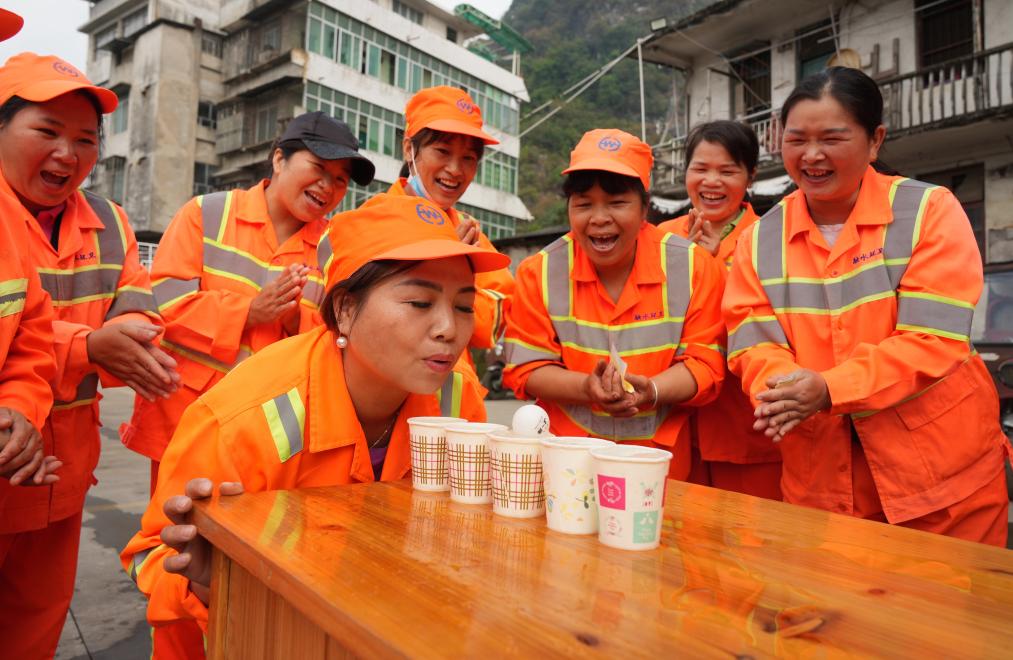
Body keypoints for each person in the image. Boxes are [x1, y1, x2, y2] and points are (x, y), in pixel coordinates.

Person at [121, 193, 505, 659]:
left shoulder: (458, 395)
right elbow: (149, 555)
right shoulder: (242, 416)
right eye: (420, 302)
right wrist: (208, 577)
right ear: (344, 309)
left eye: (464, 307)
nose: (448, 328)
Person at [724, 66, 1010, 546]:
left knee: (949, 596)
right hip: (821, 482)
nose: (811, 155)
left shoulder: (928, 211)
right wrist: (784, 387)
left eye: (832, 138)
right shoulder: (756, 241)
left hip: (943, 481)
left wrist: (828, 389)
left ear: (875, 141)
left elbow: (932, 339)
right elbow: (751, 344)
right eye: (796, 139)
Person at [0, 52, 173, 657]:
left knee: (36, 623)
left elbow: (140, 306)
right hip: (10, 453)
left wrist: (129, 335)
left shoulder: (110, 222)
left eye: (85, 140)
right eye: (46, 131)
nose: (67, 154)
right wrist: (87, 346)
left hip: (64, 467)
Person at [120, 111, 375, 491]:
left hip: (273, 436)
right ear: (279, 159)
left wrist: (293, 321)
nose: (327, 186)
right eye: (319, 168)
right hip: (184, 419)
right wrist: (250, 311)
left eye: (340, 180)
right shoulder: (207, 214)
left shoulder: (335, 247)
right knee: (173, 524)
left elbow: (339, 340)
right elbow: (163, 307)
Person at [502, 129, 725, 477]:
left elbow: (706, 365)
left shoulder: (694, 267)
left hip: (661, 466)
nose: (599, 218)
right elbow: (526, 368)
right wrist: (585, 388)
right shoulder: (539, 272)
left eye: (617, 202)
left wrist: (651, 391)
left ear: (645, 208)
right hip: (565, 465)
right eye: (583, 204)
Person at [657, 121, 781, 500]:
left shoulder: (770, 239)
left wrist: (711, 268)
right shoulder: (660, 236)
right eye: (700, 168)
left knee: (748, 532)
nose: (712, 182)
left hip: (742, 424)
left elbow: (772, 324)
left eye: (728, 171)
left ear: (751, 176)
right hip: (671, 422)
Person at [385, 86, 514, 365]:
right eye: (442, 151)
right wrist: (447, 268)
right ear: (409, 149)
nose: (455, 170)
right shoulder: (374, 220)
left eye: (468, 158)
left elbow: (493, 324)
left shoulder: (469, 231)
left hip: (454, 388)